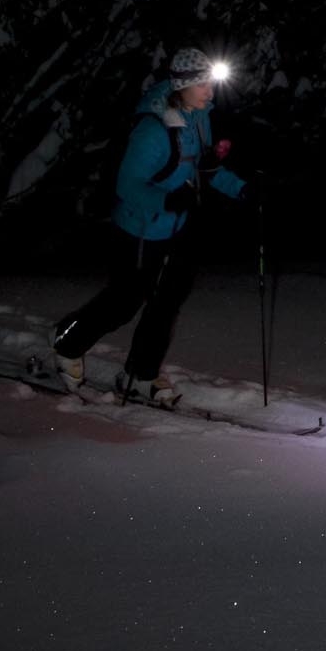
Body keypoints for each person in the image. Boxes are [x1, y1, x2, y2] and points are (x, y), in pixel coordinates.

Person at [51, 46, 247, 408]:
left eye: (211, 83)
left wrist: (244, 189)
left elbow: (202, 167)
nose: (210, 91)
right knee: (124, 301)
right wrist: (166, 201)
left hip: (177, 227)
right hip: (140, 230)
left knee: (167, 301)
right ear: (182, 85)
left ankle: (141, 372)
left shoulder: (199, 117)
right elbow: (128, 186)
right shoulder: (153, 130)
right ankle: (68, 344)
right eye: (202, 84)